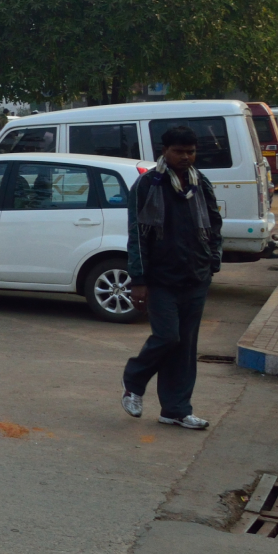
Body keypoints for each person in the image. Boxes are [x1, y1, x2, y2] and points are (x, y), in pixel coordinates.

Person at [121, 125, 223, 430]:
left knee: (185, 347)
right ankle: (133, 381)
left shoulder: (200, 182)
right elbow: (137, 235)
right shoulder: (148, 185)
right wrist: (138, 280)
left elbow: (215, 224)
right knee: (168, 337)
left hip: (196, 277)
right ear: (164, 151)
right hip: (160, 279)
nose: (186, 157)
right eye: (179, 151)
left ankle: (176, 410)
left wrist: (213, 261)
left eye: (191, 151)